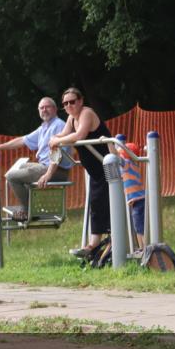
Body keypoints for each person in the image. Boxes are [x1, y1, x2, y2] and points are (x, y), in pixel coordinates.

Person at [49, 87, 113, 257]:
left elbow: (79, 135)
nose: (69, 106)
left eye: (72, 102)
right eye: (65, 103)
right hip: (94, 169)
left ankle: (101, 243)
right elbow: (63, 134)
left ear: (80, 101)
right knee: (95, 202)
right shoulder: (71, 118)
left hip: (107, 165)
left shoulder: (86, 113)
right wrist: (55, 139)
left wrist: (57, 140)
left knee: (103, 202)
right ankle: (95, 245)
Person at [0, 97, 73, 220]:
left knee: (11, 176)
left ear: (55, 109)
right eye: (41, 108)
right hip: (46, 166)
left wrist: (48, 174)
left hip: (56, 170)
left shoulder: (59, 125)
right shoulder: (44, 127)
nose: (44, 110)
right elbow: (22, 140)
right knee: (22, 167)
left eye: (47, 107)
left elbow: (57, 153)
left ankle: (28, 211)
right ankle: (31, 207)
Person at [118, 140, 146, 254]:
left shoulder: (127, 163)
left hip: (137, 199)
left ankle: (145, 248)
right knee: (138, 226)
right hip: (139, 199)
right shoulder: (133, 164)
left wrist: (108, 142)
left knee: (139, 226)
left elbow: (115, 155)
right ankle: (142, 248)